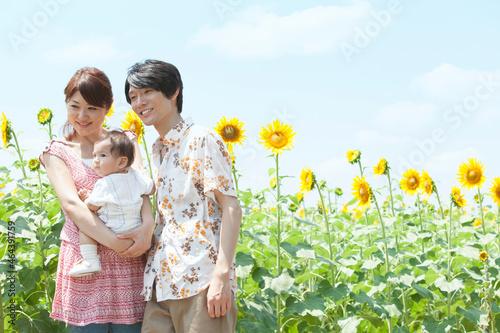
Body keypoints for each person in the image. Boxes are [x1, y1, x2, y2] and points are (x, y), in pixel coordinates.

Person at [125, 59, 242, 333]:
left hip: (201, 280)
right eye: (133, 97)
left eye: (147, 92)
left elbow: (232, 208)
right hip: (161, 282)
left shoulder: (201, 138)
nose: (139, 102)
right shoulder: (158, 149)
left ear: (174, 90)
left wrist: (221, 277)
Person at [40, 67, 155, 332]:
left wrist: (148, 226)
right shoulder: (57, 151)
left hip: (131, 257)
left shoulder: (125, 141)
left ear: (108, 107)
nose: (81, 116)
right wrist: (115, 242)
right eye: (74, 106)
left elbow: (141, 188)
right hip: (87, 261)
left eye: (92, 108)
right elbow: (71, 205)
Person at [69, 130, 155, 277]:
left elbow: (93, 206)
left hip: (113, 230)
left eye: (102, 155)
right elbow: (151, 189)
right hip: (136, 229)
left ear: (122, 161)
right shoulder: (137, 177)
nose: (96, 160)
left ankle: (90, 261)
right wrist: (146, 176)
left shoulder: (104, 183)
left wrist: (86, 199)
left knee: (86, 230)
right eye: (94, 155)